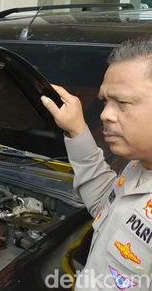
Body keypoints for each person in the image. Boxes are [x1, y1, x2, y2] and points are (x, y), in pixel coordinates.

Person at [41, 36, 152, 290]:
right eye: (104, 101)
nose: (104, 114)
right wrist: (77, 129)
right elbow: (107, 204)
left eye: (122, 103)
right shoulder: (138, 166)